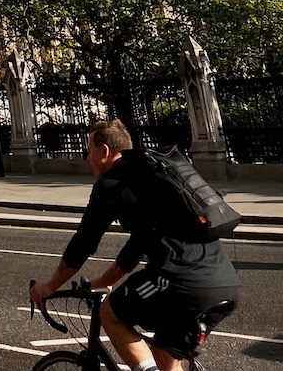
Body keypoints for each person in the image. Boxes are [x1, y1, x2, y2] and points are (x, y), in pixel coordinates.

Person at [31, 120, 239, 371]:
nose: (87, 158)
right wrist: (105, 281)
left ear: (105, 151)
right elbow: (138, 245)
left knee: (110, 313)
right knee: (164, 352)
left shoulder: (111, 184)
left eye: (89, 151)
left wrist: (49, 287)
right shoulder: (149, 178)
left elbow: (83, 243)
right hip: (225, 282)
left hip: (182, 281)